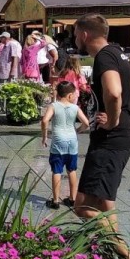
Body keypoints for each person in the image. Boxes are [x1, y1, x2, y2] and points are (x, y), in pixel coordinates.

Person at [71, 15, 130, 259]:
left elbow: (114, 92)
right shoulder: (118, 54)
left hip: (110, 140)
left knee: (82, 206)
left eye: (74, 33)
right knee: (105, 205)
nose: (74, 38)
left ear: (83, 34)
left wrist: (113, 119)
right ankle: (115, 257)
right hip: (119, 138)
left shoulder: (104, 57)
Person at [41, 80, 90, 209]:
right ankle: (72, 199)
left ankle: (56, 201)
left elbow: (45, 120)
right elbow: (86, 123)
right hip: (72, 142)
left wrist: (45, 136)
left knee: (56, 170)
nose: (75, 96)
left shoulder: (54, 106)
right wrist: (78, 130)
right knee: (72, 170)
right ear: (69, 95)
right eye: (74, 94)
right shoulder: (75, 108)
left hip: (58, 142)